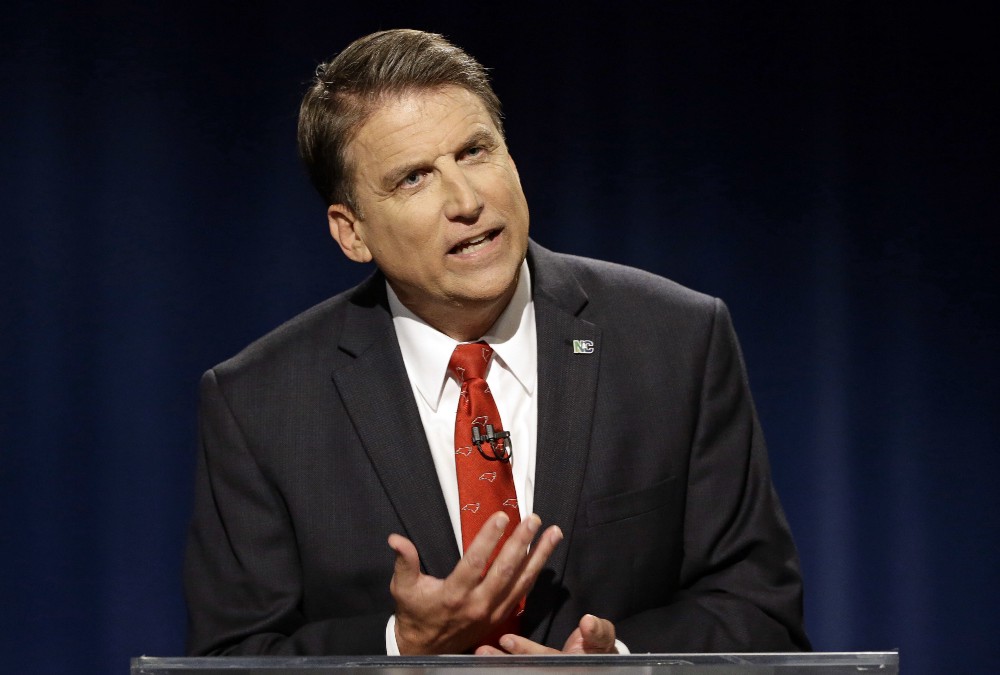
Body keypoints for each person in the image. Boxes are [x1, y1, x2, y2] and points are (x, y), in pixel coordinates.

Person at [184, 28, 809, 657]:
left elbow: (759, 610)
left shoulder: (676, 341)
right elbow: (231, 655)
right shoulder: (260, 404)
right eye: (413, 179)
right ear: (352, 232)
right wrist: (403, 645)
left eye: (476, 152)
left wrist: (621, 667)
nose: (467, 200)